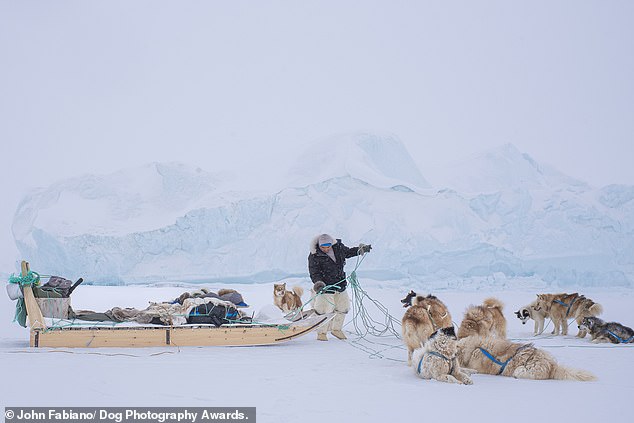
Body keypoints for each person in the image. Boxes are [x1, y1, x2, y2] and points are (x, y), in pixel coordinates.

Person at [308, 233, 372, 341]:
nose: (325, 249)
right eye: (323, 247)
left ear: (331, 244)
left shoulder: (338, 248)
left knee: (343, 307)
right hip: (325, 287)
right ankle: (321, 332)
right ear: (319, 246)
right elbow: (314, 272)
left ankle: (336, 329)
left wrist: (360, 249)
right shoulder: (314, 255)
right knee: (323, 310)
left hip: (340, 284)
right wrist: (318, 283)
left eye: (327, 246)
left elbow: (348, 252)